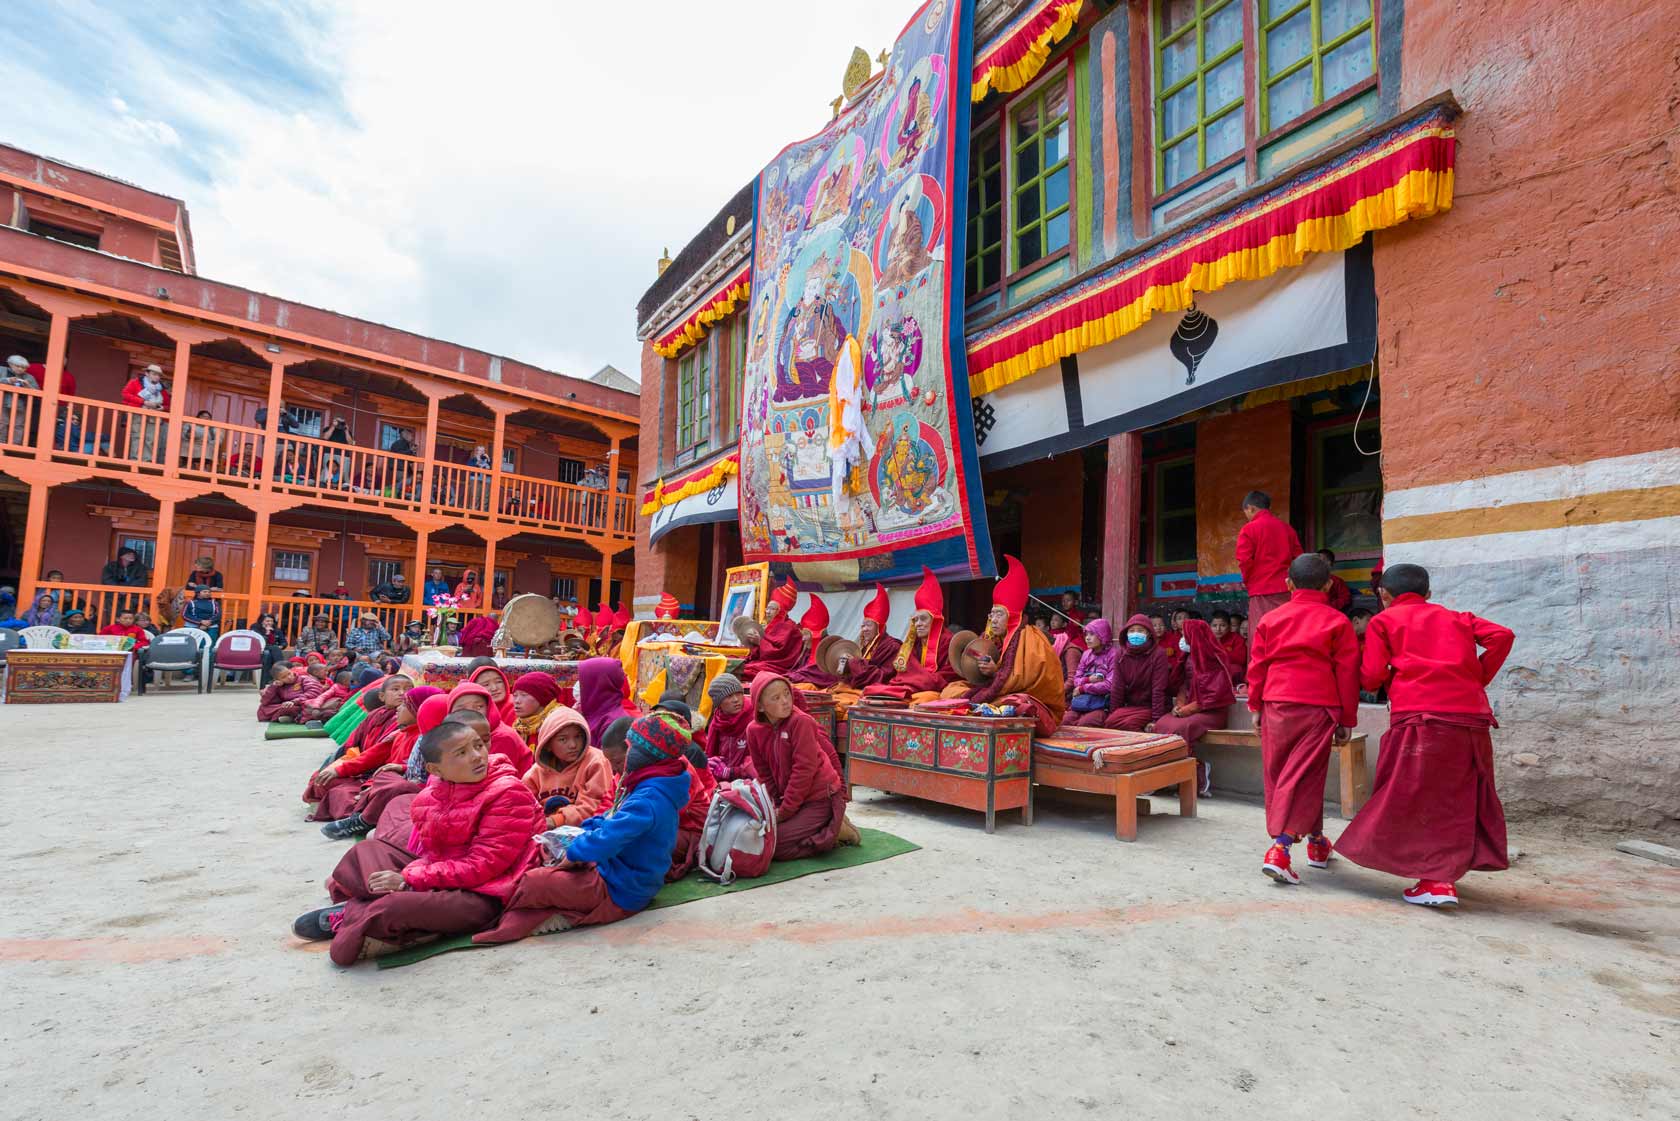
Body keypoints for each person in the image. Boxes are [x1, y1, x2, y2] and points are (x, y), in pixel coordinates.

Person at [1334, 564, 1516, 907]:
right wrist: (1476, 677)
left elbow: (1371, 676)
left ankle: (1437, 879)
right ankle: (1444, 871)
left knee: (1415, 795)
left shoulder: (1384, 621)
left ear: (1383, 595)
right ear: (1428, 594)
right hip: (1471, 718)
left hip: (1421, 716)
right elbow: (1502, 636)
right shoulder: (1457, 617)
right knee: (1456, 796)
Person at [293, 718, 543, 965]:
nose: (478, 756)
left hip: (486, 893)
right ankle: (371, 906)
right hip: (441, 872)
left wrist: (410, 879)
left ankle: (355, 912)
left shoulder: (508, 792)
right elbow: (430, 852)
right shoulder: (431, 796)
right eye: (462, 752)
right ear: (435, 770)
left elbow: (483, 866)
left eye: (479, 745)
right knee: (365, 852)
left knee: (396, 907)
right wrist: (413, 875)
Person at [470, 711, 692, 945]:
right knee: (538, 861)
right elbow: (610, 817)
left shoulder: (650, 797)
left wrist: (575, 852)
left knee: (533, 883)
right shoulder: (647, 783)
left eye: (630, 748)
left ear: (645, 754)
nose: (619, 765)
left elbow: (610, 836)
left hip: (623, 887)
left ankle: (523, 915)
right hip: (612, 869)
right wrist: (581, 831)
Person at [1247, 552, 1359, 886]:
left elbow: (1258, 666)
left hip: (1276, 703)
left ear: (1288, 584)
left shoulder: (1271, 619)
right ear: (1328, 584)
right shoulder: (1337, 621)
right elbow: (1347, 672)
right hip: (1318, 703)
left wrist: (1255, 706)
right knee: (1306, 776)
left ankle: (1317, 843)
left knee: (1283, 773)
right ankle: (1280, 848)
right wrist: (1346, 718)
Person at [941, 556, 1067, 730]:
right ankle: (986, 709)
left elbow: (1025, 682)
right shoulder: (993, 637)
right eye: (992, 614)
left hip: (1031, 699)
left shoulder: (1032, 639)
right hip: (996, 691)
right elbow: (976, 672)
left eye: (999, 614)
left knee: (1016, 704)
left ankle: (987, 710)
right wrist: (978, 667)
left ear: (1013, 616)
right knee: (951, 690)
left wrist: (994, 672)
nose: (993, 620)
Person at [747, 672, 857, 858]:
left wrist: (785, 812)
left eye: (787, 694)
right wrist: (775, 804)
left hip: (820, 798)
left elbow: (804, 771)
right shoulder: (754, 730)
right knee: (758, 837)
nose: (785, 701)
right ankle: (823, 826)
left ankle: (834, 833)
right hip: (792, 799)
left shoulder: (801, 722)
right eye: (776, 698)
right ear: (760, 706)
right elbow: (764, 772)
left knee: (775, 846)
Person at [1152, 619, 1238, 795]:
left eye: (1185, 635)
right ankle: (1163, 778)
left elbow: (1212, 697)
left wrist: (1186, 711)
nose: (1181, 639)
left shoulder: (1213, 659)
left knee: (1184, 728)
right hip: (1189, 708)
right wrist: (1180, 705)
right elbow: (1184, 685)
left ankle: (1196, 777)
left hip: (1211, 712)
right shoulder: (1189, 656)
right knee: (1161, 724)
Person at [522, 705, 615, 829]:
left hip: (586, 831)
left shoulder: (596, 762)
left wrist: (555, 821)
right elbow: (523, 807)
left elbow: (594, 805)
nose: (573, 745)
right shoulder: (536, 773)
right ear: (548, 744)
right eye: (563, 739)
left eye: (578, 737)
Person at [1236, 490, 1303, 633]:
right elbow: (1299, 560)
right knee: (1287, 633)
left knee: (1263, 635)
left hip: (1261, 590)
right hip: (1287, 589)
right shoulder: (1287, 529)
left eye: (1246, 512)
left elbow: (1244, 561)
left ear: (1251, 508)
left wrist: (1250, 584)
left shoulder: (1249, 529)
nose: (1247, 517)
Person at [890, 567, 959, 698]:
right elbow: (903, 672)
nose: (918, 624)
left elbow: (948, 676)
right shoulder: (914, 642)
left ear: (935, 620)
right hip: (916, 686)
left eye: (923, 619)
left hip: (936, 690)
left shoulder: (949, 641)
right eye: (915, 620)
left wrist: (921, 680)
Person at [447, 680, 535, 776]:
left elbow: (495, 778)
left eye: (479, 707)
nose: (471, 713)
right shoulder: (452, 737)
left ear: (489, 708)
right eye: (461, 709)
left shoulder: (502, 737)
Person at [1101, 614, 1173, 730]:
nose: (1135, 634)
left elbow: (1158, 689)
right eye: (1132, 631)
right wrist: (1114, 713)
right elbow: (1117, 687)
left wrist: (1156, 719)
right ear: (1126, 634)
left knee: (1130, 724)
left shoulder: (1158, 654)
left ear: (1149, 633)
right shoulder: (1121, 654)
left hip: (1151, 707)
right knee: (1110, 722)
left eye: (1140, 630)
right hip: (1131, 706)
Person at [738, 578, 803, 678]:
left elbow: (778, 654)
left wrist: (760, 641)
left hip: (777, 666)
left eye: (771, 609)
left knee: (744, 670)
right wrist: (752, 641)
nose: (767, 612)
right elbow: (757, 653)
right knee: (736, 664)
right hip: (764, 662)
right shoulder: (768, 626)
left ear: (780, 611)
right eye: (767, 608)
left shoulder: (789, 627)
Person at [699, 672, 756, 781]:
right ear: (719, 703)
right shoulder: (717, 722)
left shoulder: (754, 719)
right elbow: (711, 752)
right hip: (722, 779)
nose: (736, 700)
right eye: (729, 696)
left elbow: (759, 760)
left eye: (739, 693)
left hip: (749, 780)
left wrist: (732, 772)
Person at [1064, 619, 1119, 726]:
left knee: (1086, 723)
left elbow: (1109, 685)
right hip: (1081, 702)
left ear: (1102, 635)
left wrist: (1083, 688)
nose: (1087, 638)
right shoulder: (1086, 654)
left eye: (1092, 634)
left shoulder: (1113, 655)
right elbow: (1076, 680)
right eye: (1086, 635)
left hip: (1101, 704)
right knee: (1065, 721)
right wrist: (1088, 679)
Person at [575, 656, 634, 746]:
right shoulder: (596, 712)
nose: (578, 685)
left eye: (581, 680)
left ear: (597, 684)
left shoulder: (613, 725)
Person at [786, 594, 838, 688]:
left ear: (815, 635)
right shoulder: (807, 647)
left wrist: (795, 676)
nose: (803, 639)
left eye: (806, 634)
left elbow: (822, 675)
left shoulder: (828, 647)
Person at [121, 364, 170, 463]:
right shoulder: (135, 383)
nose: (157, 377)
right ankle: (134, 460)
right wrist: (143, 402)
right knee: (137, 436)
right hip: (138, 414)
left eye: (159, 375)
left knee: (150, 439)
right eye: (154, 374)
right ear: (147, 373)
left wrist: (162, 408)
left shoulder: (162, 389)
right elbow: (125, 394)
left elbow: (168, 405)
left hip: (154, 416)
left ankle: (146, 461)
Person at [511, 671, 564, 746]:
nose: (517, 701)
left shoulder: (559, 723)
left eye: (524, 695)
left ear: (543, 697)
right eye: (515, 695)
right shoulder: (519, 726)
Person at [258, 663, 323, 722]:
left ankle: (291, 717)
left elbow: (313, 692)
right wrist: (273, 687)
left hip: (303, 704)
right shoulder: (279, 686)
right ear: (278, 679)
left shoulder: (304, 678)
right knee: (263, 708)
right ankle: (289, 717)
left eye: (289, 673)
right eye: (284, 677)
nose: (289, 677)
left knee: (291, 709)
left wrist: (294, 702)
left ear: (291, 670)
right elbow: (265, 701)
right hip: (288, 706)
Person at [1210, 610, 1247, 686]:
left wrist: (1217, 654)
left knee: (1236, 668)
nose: (1218, 629)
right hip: (1212, 678)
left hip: (1232, 678)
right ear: (1209, 626)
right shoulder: (1207, 639)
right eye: (1214, 626)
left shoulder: (1237, 638)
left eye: (1222, 625)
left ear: (1229, 626)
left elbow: (1241, 658)